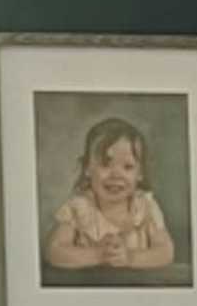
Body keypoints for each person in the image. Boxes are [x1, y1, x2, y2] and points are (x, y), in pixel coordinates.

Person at [44, 113, 178, 279]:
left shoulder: (145, 207)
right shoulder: (78, 208)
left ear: (140, 173)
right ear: (87, 168)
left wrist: (130, 258)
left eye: (128, 167)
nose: (116, 175)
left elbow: (166, 252)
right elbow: (54, 251)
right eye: (105, 164)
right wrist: (99, 255)